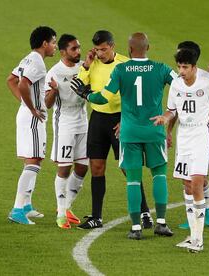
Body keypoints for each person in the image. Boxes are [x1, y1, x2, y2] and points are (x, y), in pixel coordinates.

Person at [71, 32, 176, 240]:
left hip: (129, 131)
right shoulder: (161, 68)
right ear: (149, 47)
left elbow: (104, 97)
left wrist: (87, 94)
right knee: (159, 176)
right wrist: (168, 114)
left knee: (133, 180)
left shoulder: (121, 69)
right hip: (154, 129)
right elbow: (181, 85)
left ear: (128, 49)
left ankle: (136, 228)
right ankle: (161, 223)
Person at [152, 48, 209, 252]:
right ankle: (192, 235)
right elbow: (172, 110)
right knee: (187, 186)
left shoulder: (207, 83)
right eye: (179, 67)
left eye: (185, 67)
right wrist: (165, 117)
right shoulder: (176, 84)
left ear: (194, 66)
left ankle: (198, 239)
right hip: (184, 139)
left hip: (201, 138)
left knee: (197, 183)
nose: (181, 71)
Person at [75, 30, 153, 229]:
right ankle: (96, 217)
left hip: (121, 119)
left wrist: (127, 120)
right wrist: (85, 65)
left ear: (112, 46)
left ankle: (145, 213)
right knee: (97, 167)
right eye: (97, 50)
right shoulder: (92, 63)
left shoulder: (125, 65)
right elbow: (80, 85)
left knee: (129, 168)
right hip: (98, 119)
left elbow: (138, 96)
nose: (100, 53)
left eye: (104, 49)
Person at [6, 26, 57, 224]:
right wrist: (32, 108)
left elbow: (10, 79)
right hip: (33, 118)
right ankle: (17, 209)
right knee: (34, 160)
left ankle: (26, 205)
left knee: (32, 159)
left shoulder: (28, 58)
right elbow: (22, 84)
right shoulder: (38, 63)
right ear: (45, 43)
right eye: (53, 42)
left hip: (26, 115)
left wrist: (24, 104)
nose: (54, 46)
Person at [167, 41, 209, 230]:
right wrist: (169, 131)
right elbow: (175, 109)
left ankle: (208, 212)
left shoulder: (207, 80)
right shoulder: (180, 81)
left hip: (201, 132)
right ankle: (195, 217)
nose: (181, 67)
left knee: (200, 177)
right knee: (186, 177)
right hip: (184, 133)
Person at [44, 34, 88, 229]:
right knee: (64, 167)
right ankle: (60, 213)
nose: (78, 51)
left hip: (83, 121)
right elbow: (47, 104)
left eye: (78, 48)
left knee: (82, 167)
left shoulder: (83, 68)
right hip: (65, 123)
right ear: (63, 52)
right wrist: (53, 90)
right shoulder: (54, 73)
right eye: (74, 49)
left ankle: (67, 207)